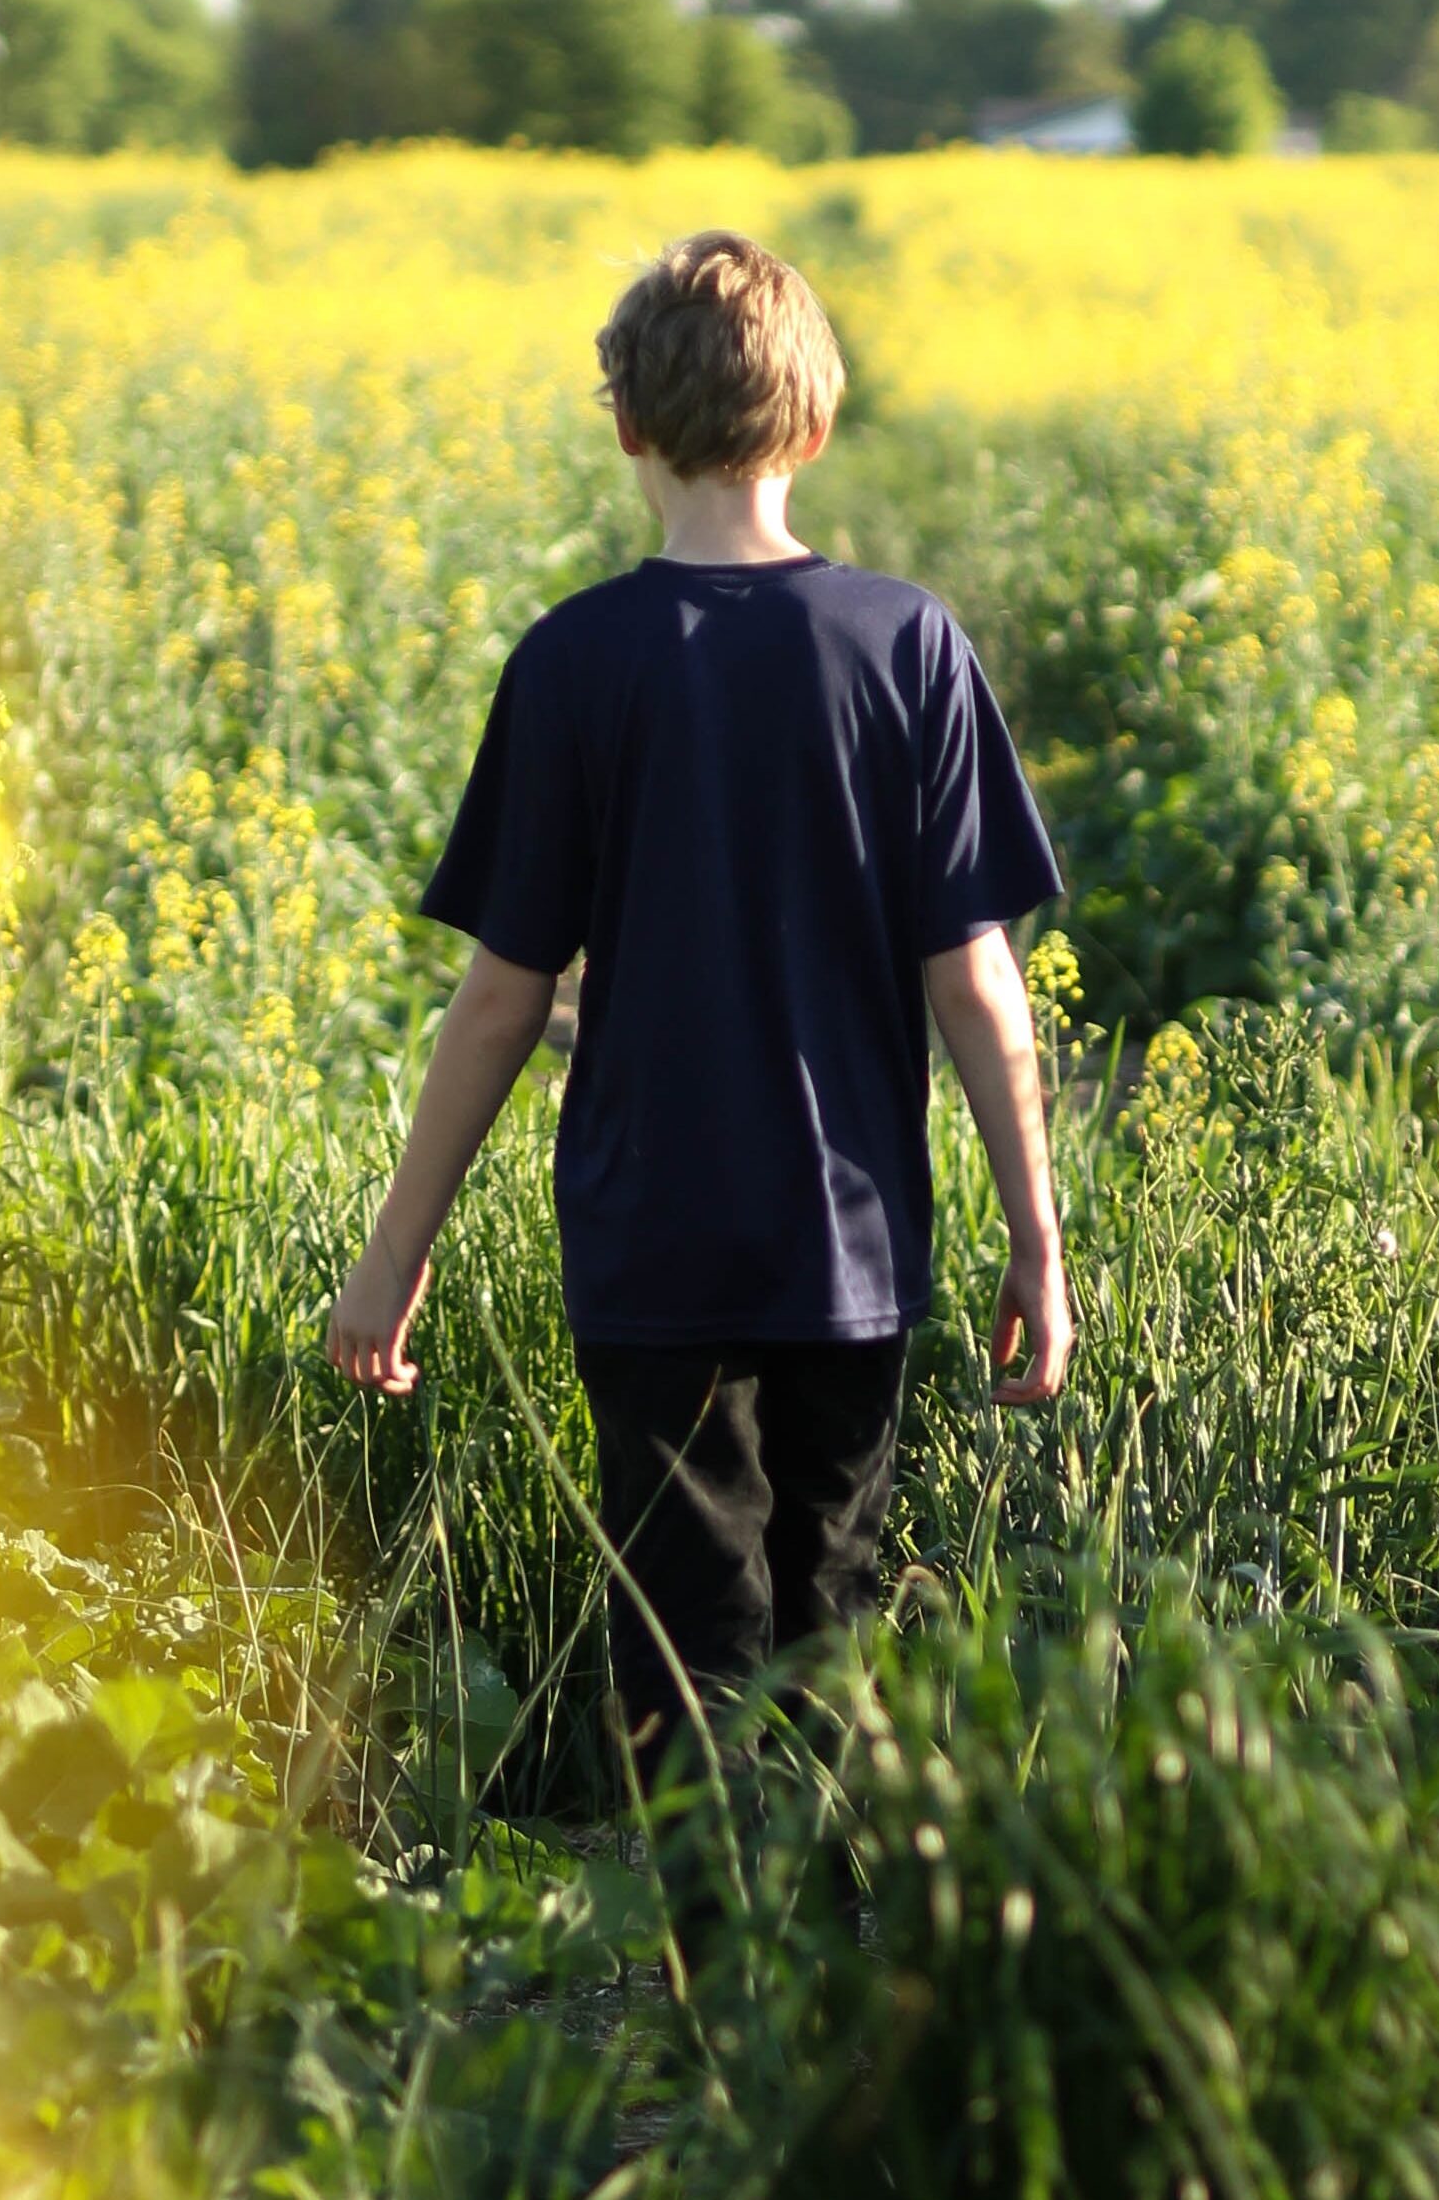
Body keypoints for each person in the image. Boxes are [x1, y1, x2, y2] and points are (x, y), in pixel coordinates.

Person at [321, 228, 1073, 1830]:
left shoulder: (576, 663)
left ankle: (710, 1990)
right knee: (837, 1619)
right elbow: (976, 980)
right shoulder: (908, 645)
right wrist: (1035, 1235)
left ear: (626, 429)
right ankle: (826, 1986)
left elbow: (500, 1006)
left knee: (683, 1644)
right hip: (854, 1243)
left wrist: (398, 1248)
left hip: (651, 1247)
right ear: (814, 426)